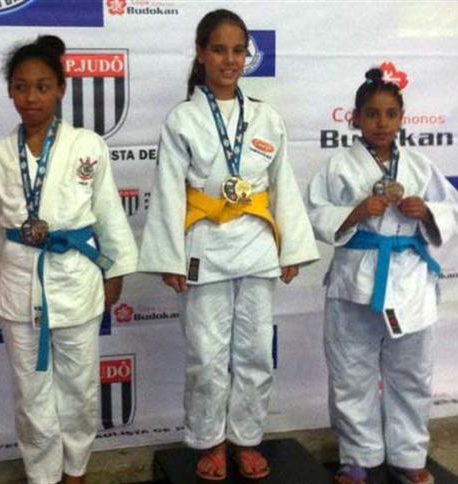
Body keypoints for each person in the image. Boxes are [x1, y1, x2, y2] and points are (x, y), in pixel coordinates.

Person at [138, 9, 319, 481]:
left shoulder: (265, 117)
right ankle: (210, 440)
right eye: (219, 49)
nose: (230, 59)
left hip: (256, 243)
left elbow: (282, 185)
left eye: (238, 50)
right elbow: (169, 190)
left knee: (256, 351)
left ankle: (246, 438)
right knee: (206, 354)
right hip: (204, 243)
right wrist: (169, 257)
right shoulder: (183, 119)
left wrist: (292, 248)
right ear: (201, 53)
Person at [0, 35, 137, 484]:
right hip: (19, 280)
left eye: (42, 87)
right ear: (10, 91)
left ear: (61, 90)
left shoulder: (87, 145)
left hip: (76, 277)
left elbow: (108, 211)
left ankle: (75, 470)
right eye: (21, 87)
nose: (31, 97)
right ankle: (42, 475)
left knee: (79, 387)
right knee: (30, 392)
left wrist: (115, 268)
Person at [306, 67, 458, 484]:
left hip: (410, 279)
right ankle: (358, 457)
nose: (382, 123)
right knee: (351, 371)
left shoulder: (419, 165)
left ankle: (409, 454)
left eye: (391, 114)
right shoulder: (338, 166)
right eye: (372, 114)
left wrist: (426, 211)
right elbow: (313, 212)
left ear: (401, 118)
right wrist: (355, 212)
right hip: (354, 281)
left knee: (412, 372)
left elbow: (455, 208)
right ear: (355, 118)